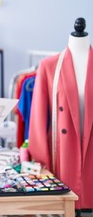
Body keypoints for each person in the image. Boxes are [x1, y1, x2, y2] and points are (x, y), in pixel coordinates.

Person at [28, 18, 93, 211]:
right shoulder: (49, 66)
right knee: (66, 205)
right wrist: (43, 165)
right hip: (63, 157)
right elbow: (38, 120)